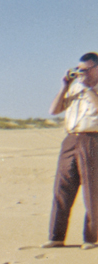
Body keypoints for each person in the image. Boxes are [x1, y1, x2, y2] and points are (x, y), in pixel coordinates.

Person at [42, 52, 98, 250]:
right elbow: (54, 110)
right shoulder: (74, 88)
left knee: (93, 190)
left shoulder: (90, 89)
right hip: (70, 138)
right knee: (62, 187)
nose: (81, 73)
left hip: (92, 138)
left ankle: (91, 238)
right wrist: (65, 86)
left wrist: (86, 89)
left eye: (85, 69)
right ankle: (56, 236)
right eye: (79, 69)